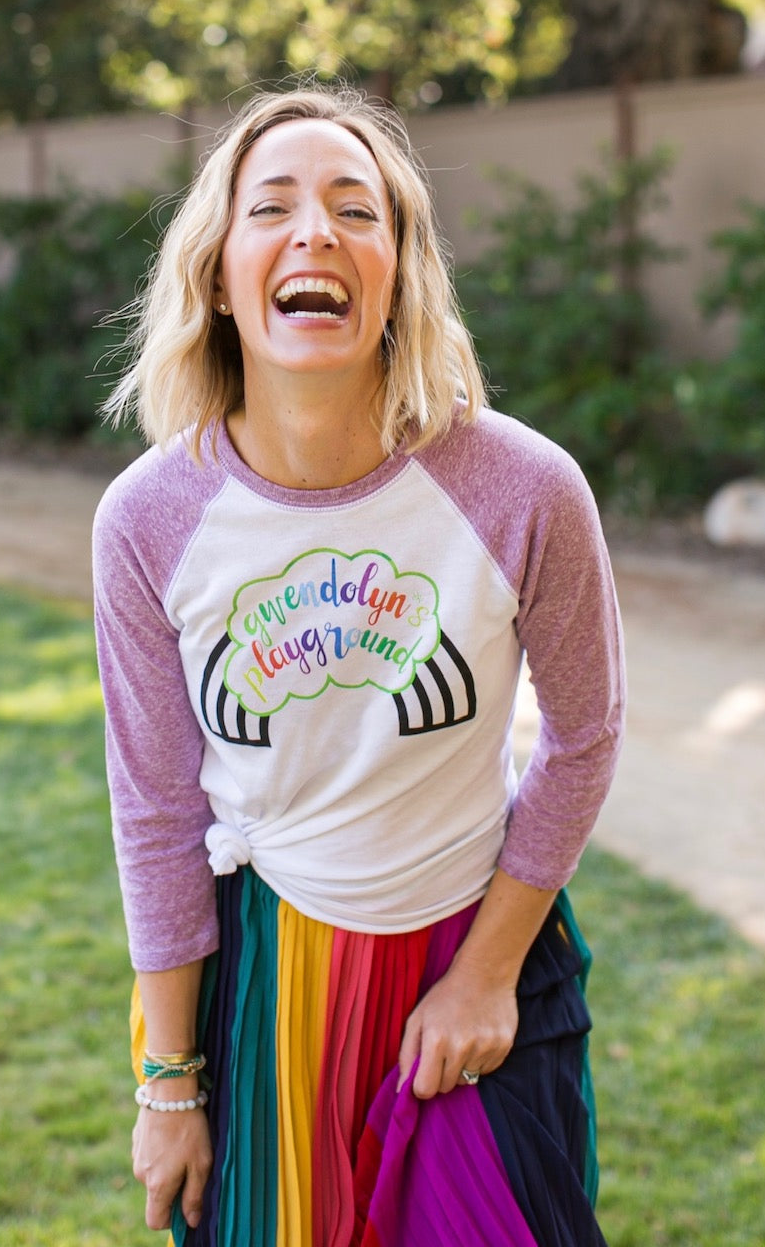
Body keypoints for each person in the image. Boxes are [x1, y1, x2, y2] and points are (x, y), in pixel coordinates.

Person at [92, 81, 625, 1247]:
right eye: (270, 206)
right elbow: (154, 810)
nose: (314, 232)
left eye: (355, 208)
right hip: (264, 983)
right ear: (219, 275)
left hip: (477, 948)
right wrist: (169, 1081)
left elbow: (584, 736)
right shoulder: (150, 517)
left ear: (399, 269)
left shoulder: (523, 487)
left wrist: (485, 975)